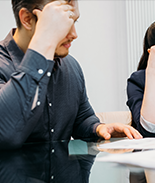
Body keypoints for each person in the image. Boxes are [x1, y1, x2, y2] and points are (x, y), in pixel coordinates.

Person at [0, 0, 142, 150]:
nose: (74, 34)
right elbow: (6, 131)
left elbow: (82, 119)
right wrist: (42, 45)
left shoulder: (71, 66)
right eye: (61, 22)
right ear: (27, 19)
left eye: (74, 22)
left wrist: (98, 128)